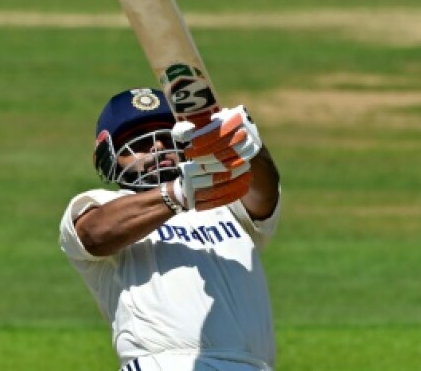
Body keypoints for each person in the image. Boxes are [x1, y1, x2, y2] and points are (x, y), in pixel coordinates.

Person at [59, 87, 282, 371]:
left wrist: (249, 149)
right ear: (108, 156)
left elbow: (264, 195)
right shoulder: (102, 205)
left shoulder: (227, 202)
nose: (158, 147)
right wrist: (179, 193)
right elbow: (94, 235)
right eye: (138, 142)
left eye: (167, 137)